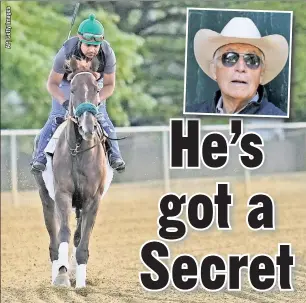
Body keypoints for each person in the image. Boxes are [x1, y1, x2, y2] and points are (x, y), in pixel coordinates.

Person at [31, 13, 125, 173]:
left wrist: (97, 99)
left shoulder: (107, 53)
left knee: (102, 116)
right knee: (56, 117)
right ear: (79, 39)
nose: (92, 50)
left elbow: (109, 85)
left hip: (94, 84)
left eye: (96, 46)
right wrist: (64, 102)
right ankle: (39, 158)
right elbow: (52, 84)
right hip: (67, 84)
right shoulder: (66, 52)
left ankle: (115, 155)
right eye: (88, 45)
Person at [187, 17, 289, 115]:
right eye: (230, 58)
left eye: (252, 60)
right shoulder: (191, 115)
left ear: (261, 73)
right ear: (214, 70)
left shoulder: (279, 122)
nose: (241, 68)